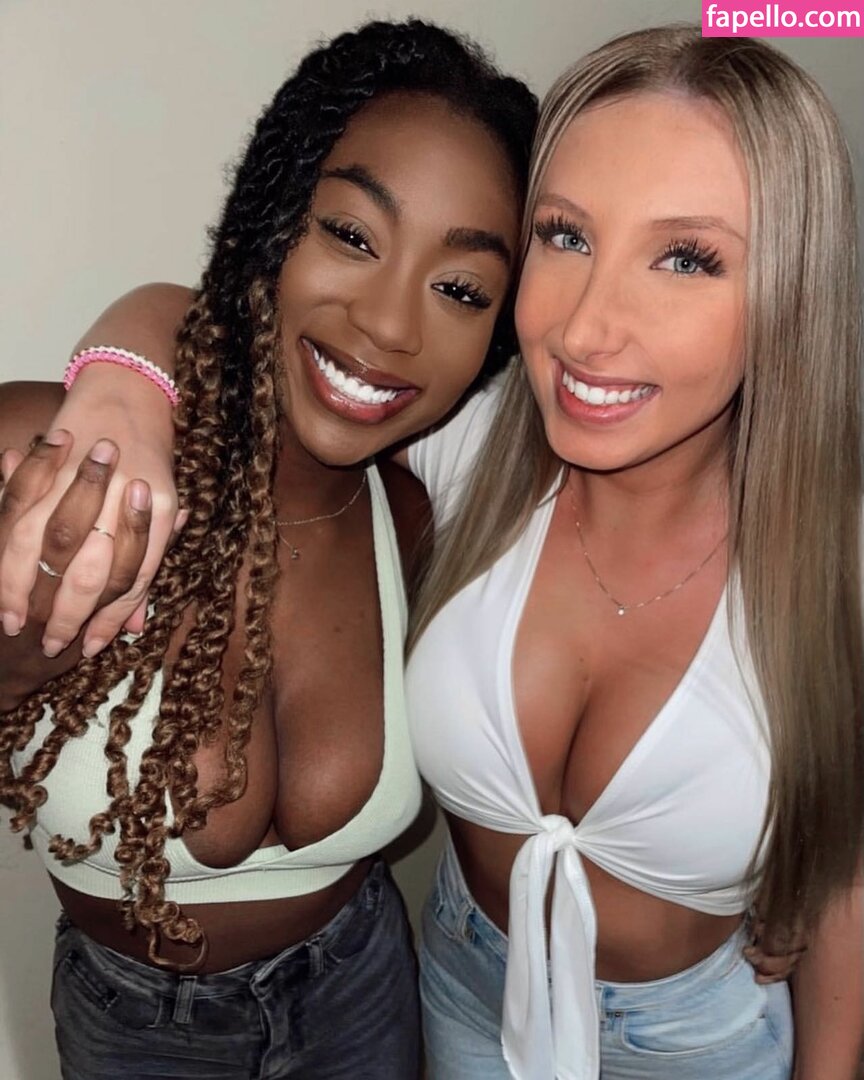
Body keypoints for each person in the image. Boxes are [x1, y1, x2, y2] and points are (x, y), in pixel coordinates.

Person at [2, 23, 841, 1080]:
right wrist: (125, 372)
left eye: (462, 290)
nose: (392, 325)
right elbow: (224, 327)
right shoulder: (450, 464)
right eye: (568, 238)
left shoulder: (428, 498)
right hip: (408, 996)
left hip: (427, 1004)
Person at [0, 18, 535, 1079]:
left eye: (462, 289)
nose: (391, 324)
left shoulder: (412, 516)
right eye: (352, 235)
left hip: (367, 990)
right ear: (272, 222)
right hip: (135, 1030)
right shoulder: (46, 454)